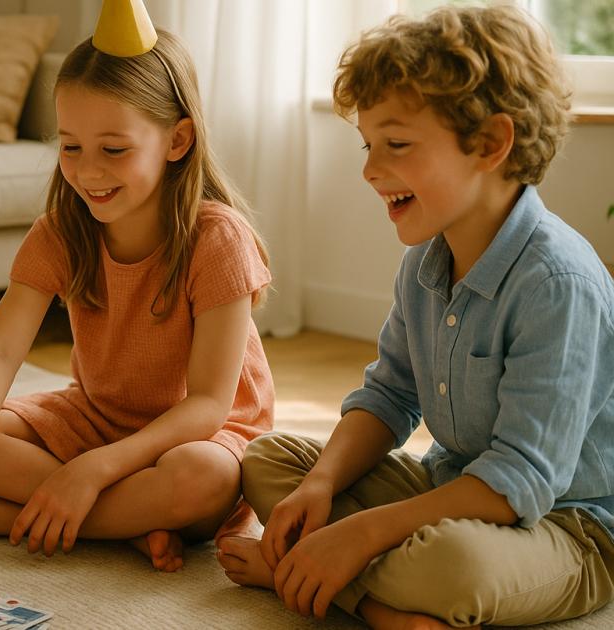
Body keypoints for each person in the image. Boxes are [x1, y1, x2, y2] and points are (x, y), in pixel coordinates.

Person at [218, 5, 614, 628]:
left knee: (454, 567)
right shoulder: (427, 262)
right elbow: (388, 397)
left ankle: (325, 578)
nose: (371, 170)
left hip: (567, 528)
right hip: (446, 490)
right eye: (369, 145)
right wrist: (320, 486)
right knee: (270, 463)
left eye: (396, 145)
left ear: (490, 144)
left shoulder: (558, 283)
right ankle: (369, 597)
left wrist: (362, 534)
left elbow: (520, 481)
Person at [0, 23, 275, 573]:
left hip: (196, 436)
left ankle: (69, 509)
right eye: (71, 147)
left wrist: (93, 471)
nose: (87, 171)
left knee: (205, 477)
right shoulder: (59, 231)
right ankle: (120, 526)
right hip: (97, 418)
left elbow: (207, 406)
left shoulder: (217, 238)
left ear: (178, 140)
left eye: (114, 149)